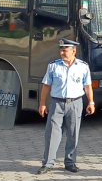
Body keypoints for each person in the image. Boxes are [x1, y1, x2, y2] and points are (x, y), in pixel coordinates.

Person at [36, 39, 95, 174]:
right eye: (61, 50)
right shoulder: (53, 66)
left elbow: (87, 85)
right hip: (57, 103)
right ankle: (48, 163)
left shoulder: (83, 66)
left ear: (73, 51)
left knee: (73, 133)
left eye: (65, 50)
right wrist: (42, 103)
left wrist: (91, 102)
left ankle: (70, 162)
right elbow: (46, 85)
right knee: (52, 134)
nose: (62, 53)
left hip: (75, 103)